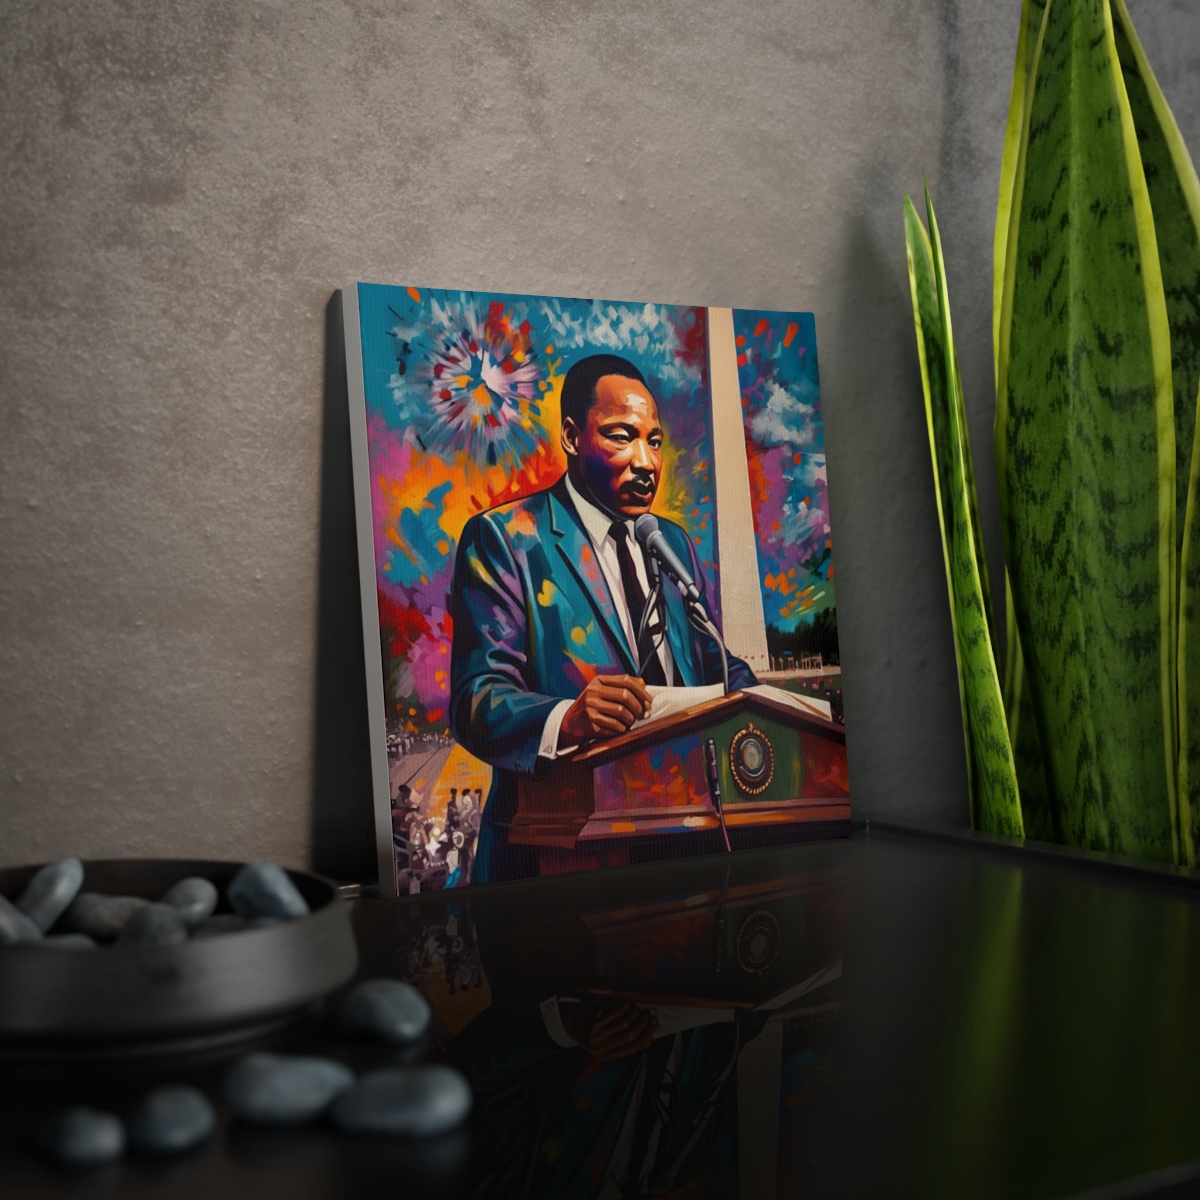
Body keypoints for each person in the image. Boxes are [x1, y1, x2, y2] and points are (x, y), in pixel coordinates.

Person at [449, 354, 756, 883]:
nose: (646, 461)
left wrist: (765, 702)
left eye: (654, 441)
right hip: (553, 870)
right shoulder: (507, 539)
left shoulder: (671, 542)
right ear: (571, 437)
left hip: (682, 861)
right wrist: (567, 718)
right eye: (622, 436)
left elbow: (716, 664)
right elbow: (476, 698)